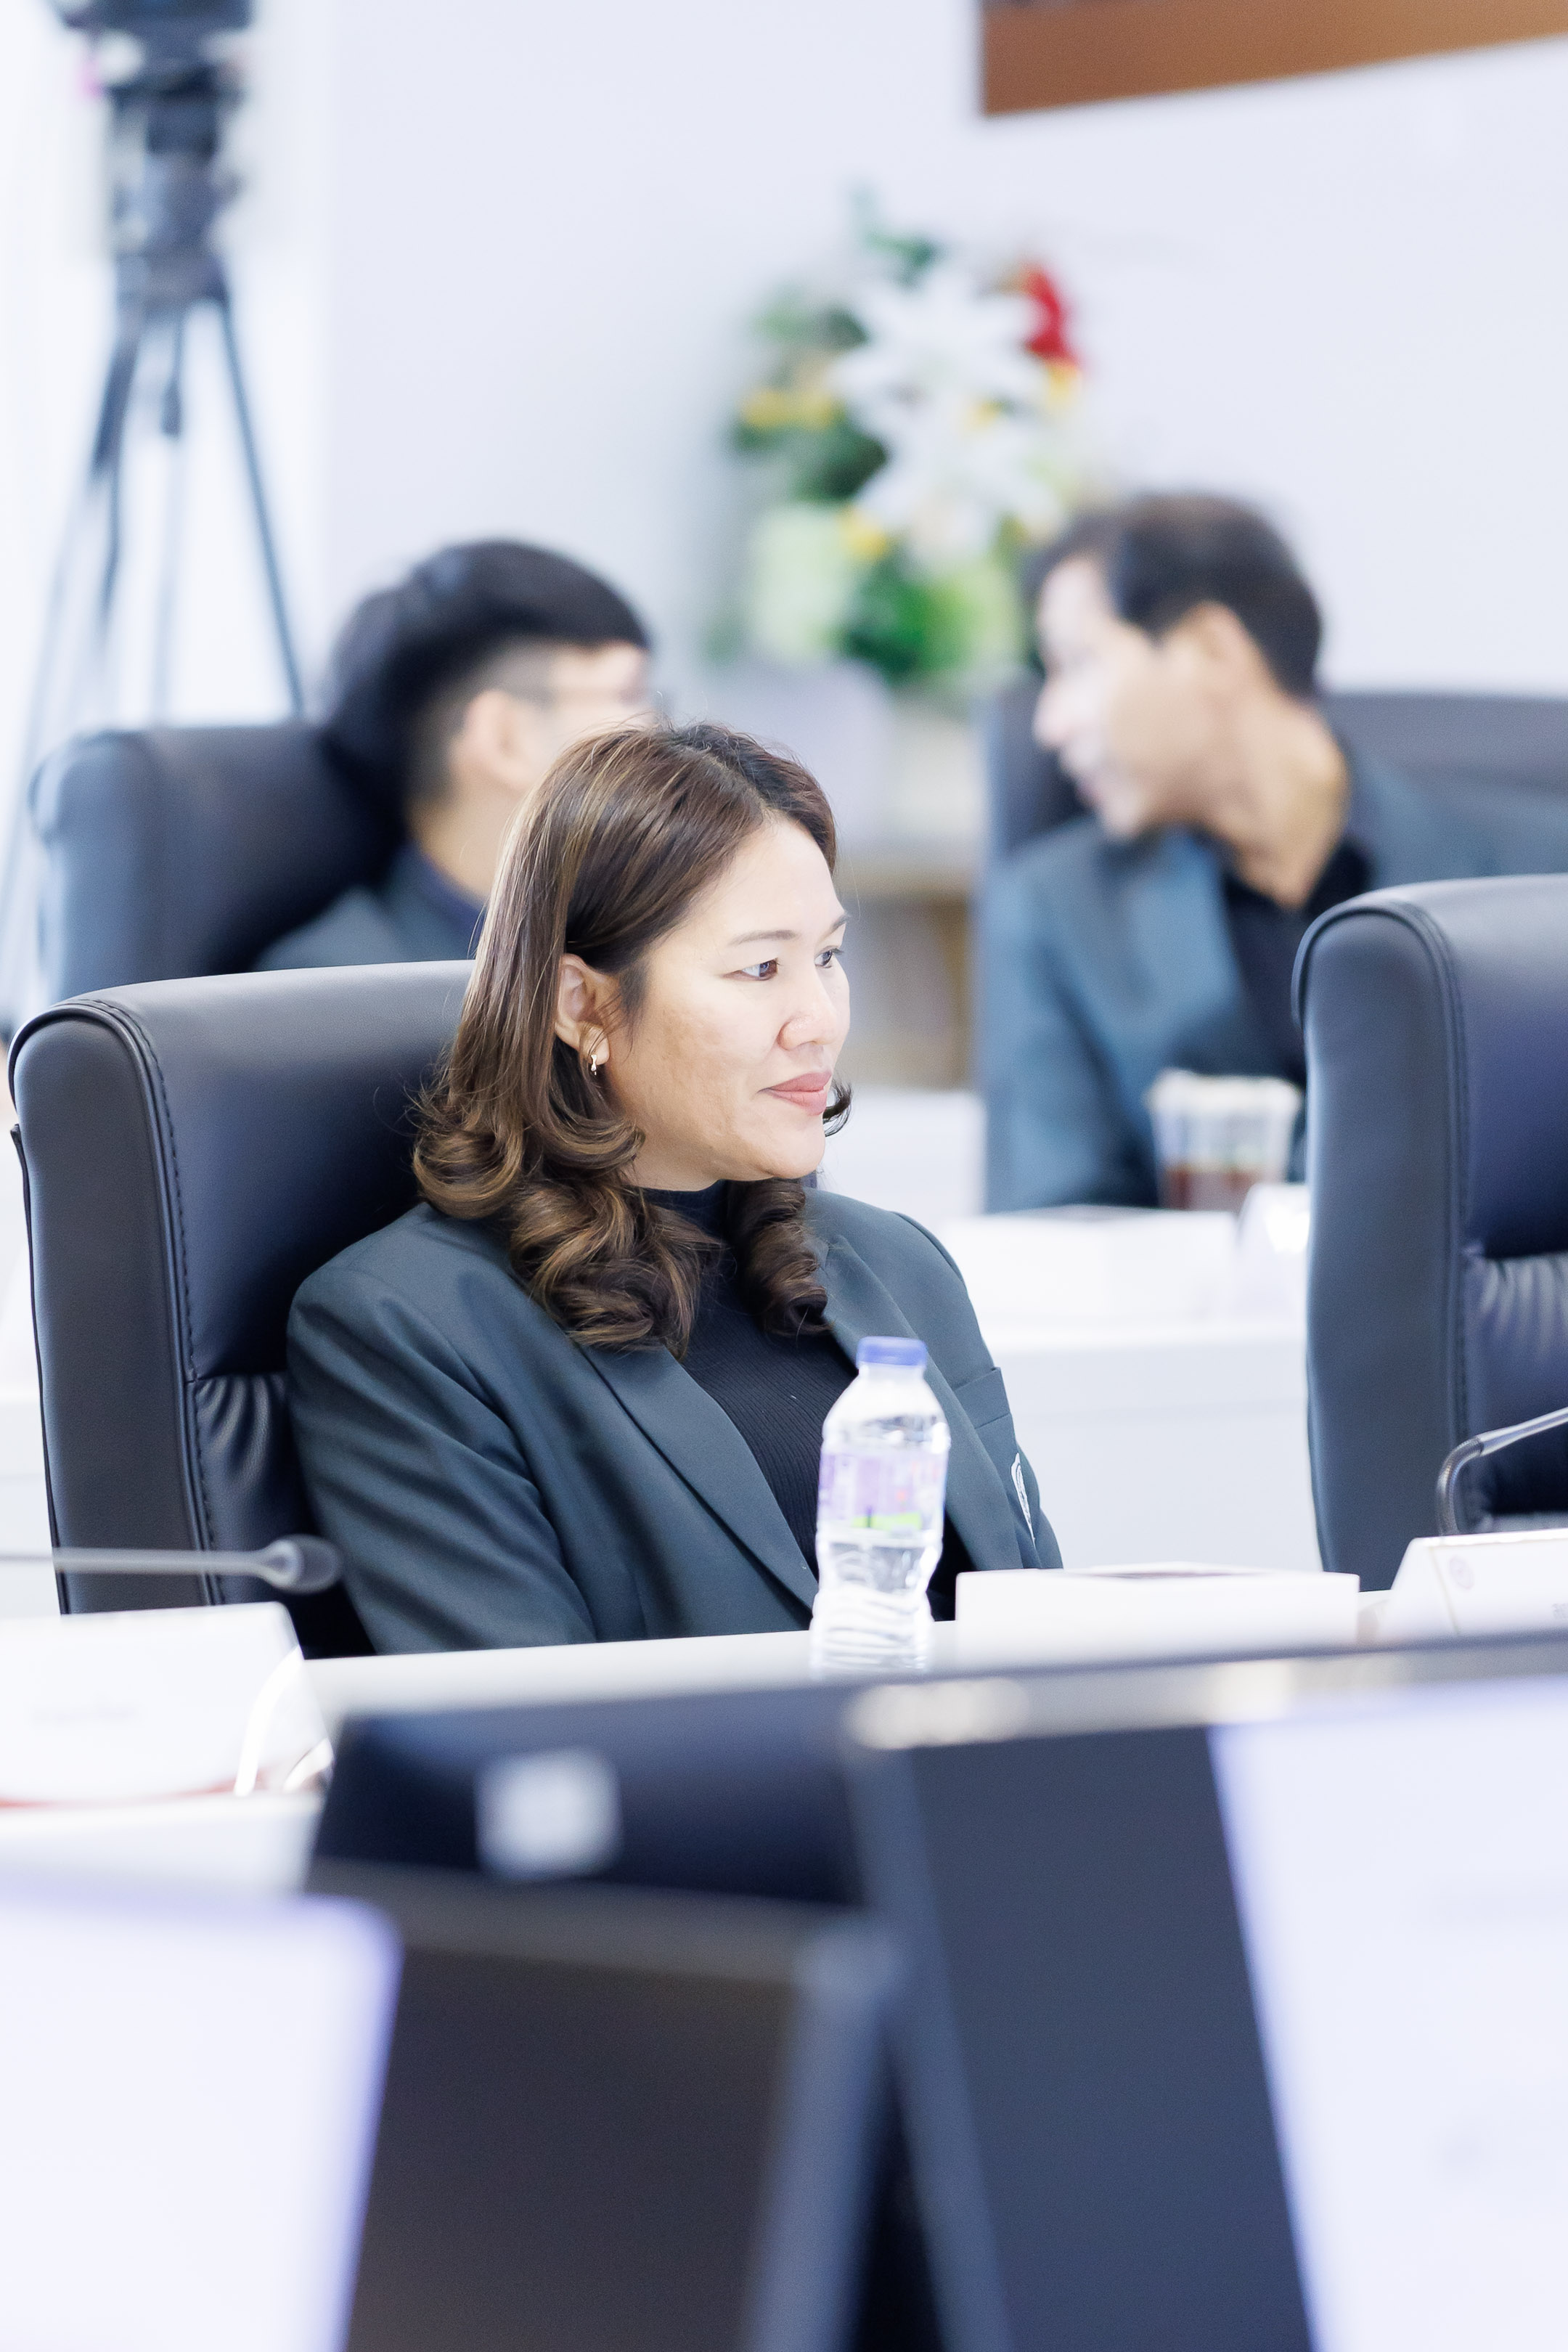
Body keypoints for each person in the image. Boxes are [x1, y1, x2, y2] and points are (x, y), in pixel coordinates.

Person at [288, 723, 1058, 1652]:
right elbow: (522, 1715)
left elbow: (1041, 1623)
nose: (818, 1019)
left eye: (827, 956)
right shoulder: (409, 1327)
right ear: (582, 1005)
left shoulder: (899, 1264)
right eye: (760, 968)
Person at [983, 494, 1568, 1209]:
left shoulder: (1541, 874)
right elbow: (1049, 1221)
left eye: (1077, 664)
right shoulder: (1054, 909)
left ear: (1211, 649)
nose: (1051, 724)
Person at [258, 540, 653, 971]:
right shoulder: (334, 990)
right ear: (504, 739)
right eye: (629, 694)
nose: (659, 729)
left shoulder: (617, 940)